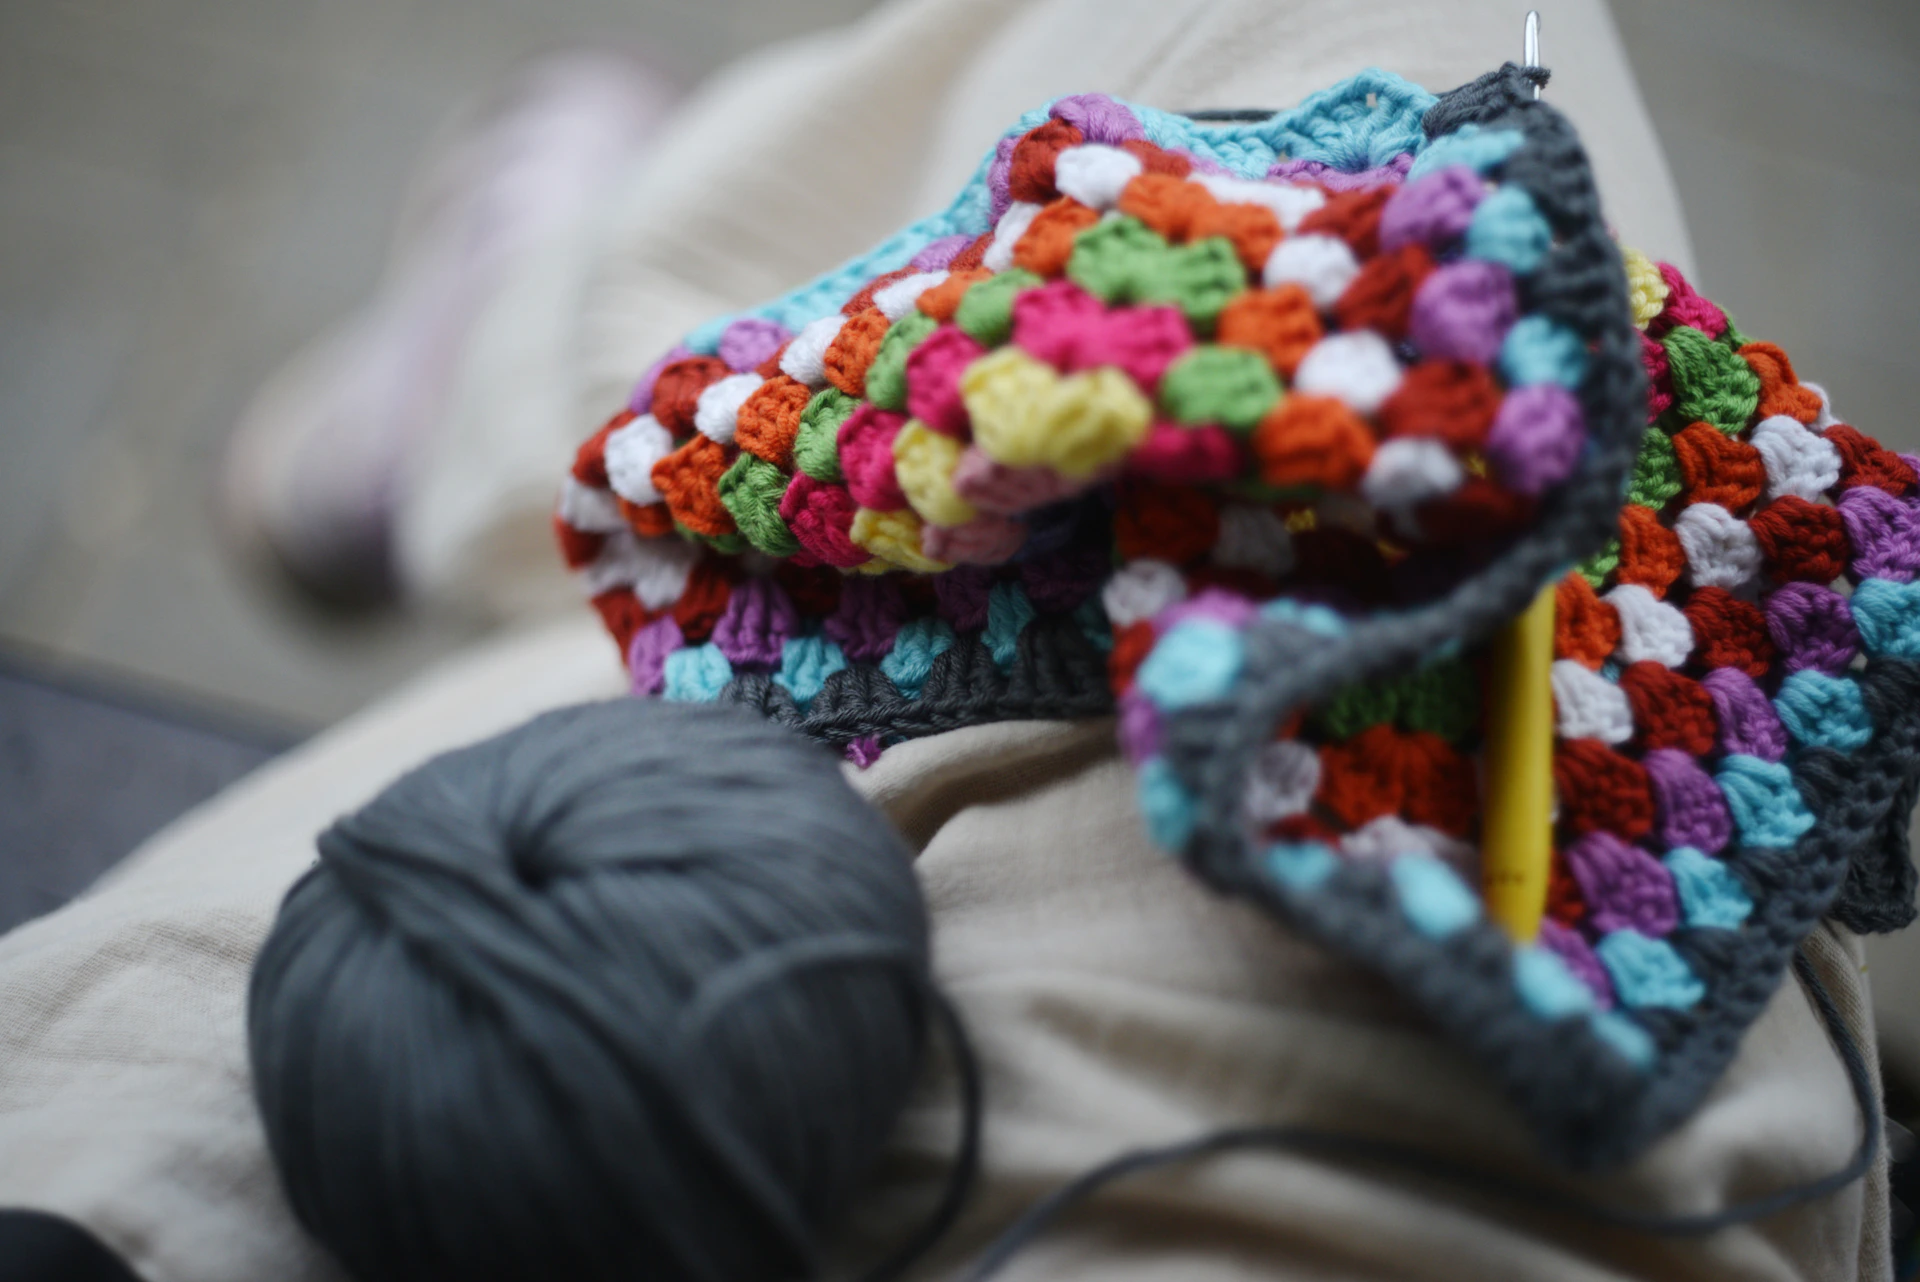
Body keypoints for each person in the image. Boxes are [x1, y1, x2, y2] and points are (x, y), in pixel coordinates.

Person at [2, 1, 1893, 1278]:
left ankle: (492, 384)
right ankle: (497, 385)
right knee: (706, 534)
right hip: (1343, 1056)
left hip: (284, 1061)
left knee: (682, 565)